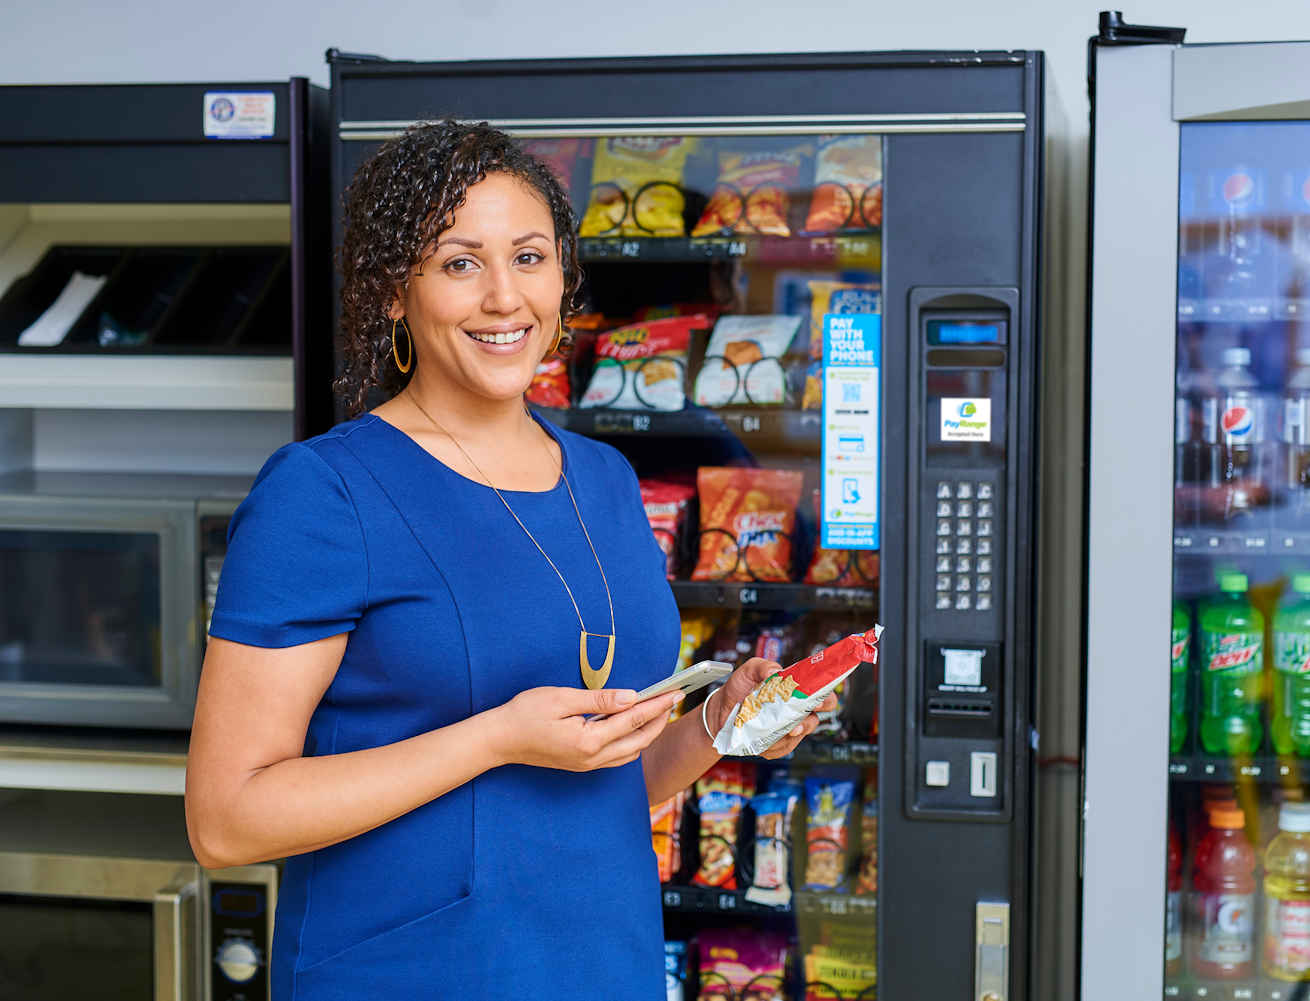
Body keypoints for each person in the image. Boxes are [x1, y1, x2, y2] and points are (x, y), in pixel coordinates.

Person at [185, 121, 834, 1001]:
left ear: (563, 278)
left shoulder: (603, 477)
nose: (504, 297)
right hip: (412, 974)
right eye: (460, 262)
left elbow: (600, 779)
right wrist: (493, 737)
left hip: (603, 962)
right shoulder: (324, 491)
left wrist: (718, 725)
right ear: (392, 293)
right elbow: (226, 820)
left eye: (529, 257)